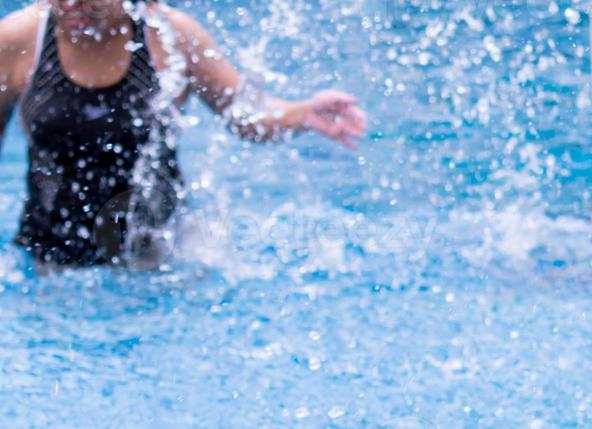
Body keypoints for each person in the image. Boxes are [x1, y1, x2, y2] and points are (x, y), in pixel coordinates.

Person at [0, 0, 366, 267]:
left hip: (158, 257)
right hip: (49, 257)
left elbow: (245, 114)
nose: (70, 5)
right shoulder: (19, 39)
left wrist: (301, 114)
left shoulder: (170, 36)